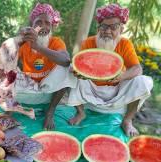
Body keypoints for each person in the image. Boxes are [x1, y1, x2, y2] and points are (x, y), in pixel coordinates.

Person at [66, 3, 153, 136]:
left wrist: (121, 76)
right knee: (69, 72)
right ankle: (81, 112)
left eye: (113, 27)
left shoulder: (125, 44)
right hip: (91, 88)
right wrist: (78, 73)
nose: (107, 31)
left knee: (143, 81)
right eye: (104, 26)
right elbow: (78, 66)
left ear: (121, 29)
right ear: (99, 27)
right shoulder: (88, 42)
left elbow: (137, 69)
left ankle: (127, 120)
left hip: (117, 90)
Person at [15, 3, 77, 130]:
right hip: (27, 91)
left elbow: (65, 60)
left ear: (52, 26)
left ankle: (50, 112)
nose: (43, 26)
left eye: (47, 23)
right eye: (38, 22)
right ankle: (9, 112)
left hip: (49, 92)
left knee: (68, 69)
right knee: (5, 71)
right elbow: (5, 62)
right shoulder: (23, 42)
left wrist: (38, 47)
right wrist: (18, 41)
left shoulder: (56, 42)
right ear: (32, 26)